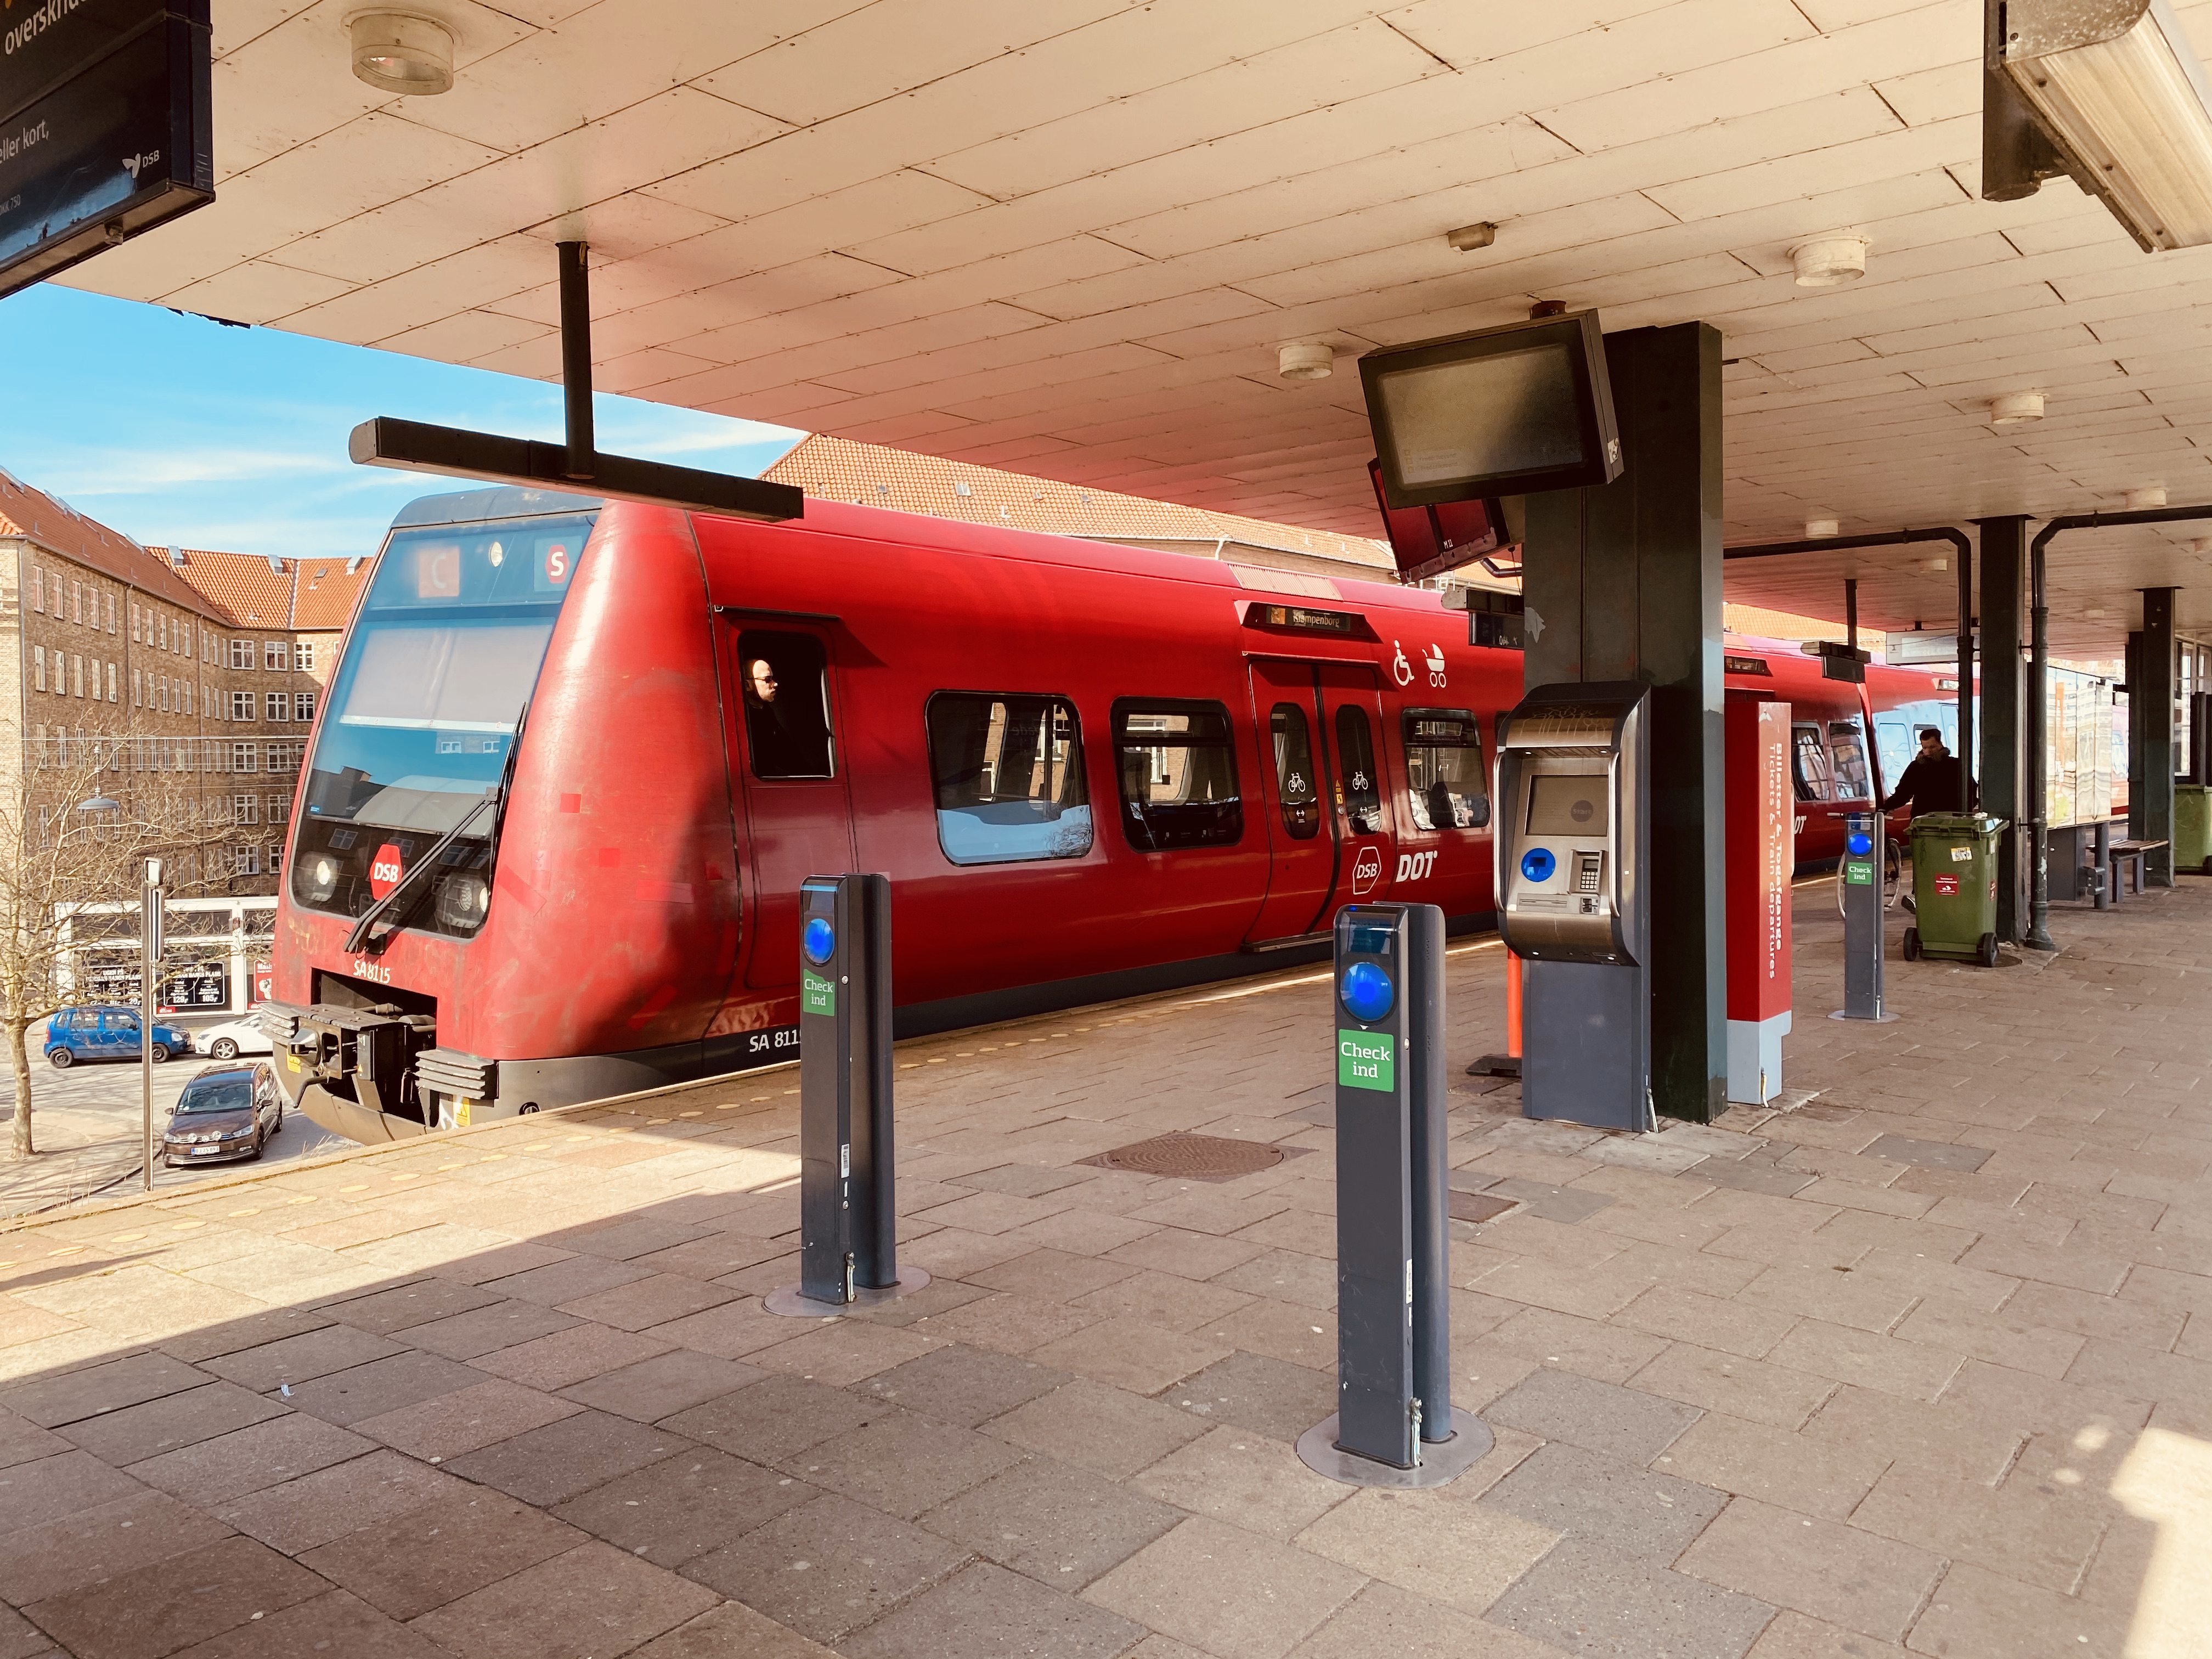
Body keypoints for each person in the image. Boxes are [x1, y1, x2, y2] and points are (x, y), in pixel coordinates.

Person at [1882, 727, 1963, 817]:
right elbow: (1903, 793)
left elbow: (1970, 791)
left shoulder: (1954, 766)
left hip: (1948, 820)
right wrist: (1886, 807)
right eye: (1925, 748)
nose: (1928, 752)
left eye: (1932, 747)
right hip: (1924, 820)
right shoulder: (1916, 767)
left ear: (1940, 744)